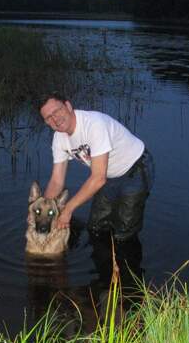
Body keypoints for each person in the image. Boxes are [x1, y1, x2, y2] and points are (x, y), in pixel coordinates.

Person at [38, 92, 154, 242]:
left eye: (57, 111)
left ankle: (128, 264)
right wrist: (42, 211)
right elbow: (56, 181)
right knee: (96, 227)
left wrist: (68, 209)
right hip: (108, 175)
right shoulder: (59, 139)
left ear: (68, 105)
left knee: (124, 234)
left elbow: (98, 178)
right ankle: (102, 263)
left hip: (135, 170)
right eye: (48, 117)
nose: (55, 119)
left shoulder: (94, 124)